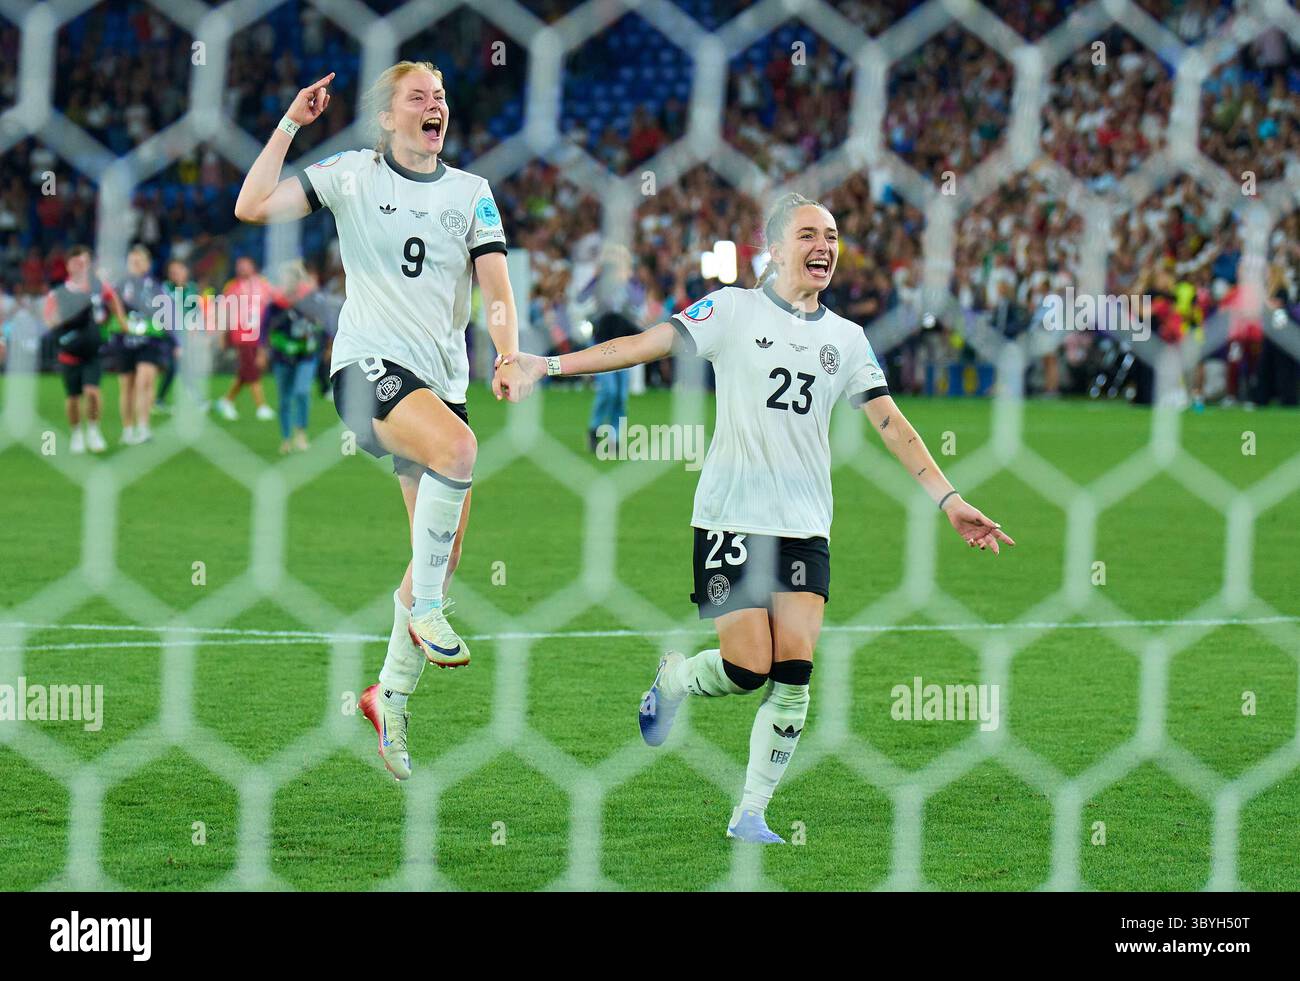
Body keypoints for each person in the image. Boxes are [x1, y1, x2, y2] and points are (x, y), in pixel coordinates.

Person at [505, 192, 1015, 843]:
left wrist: (950, 498)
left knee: (795, 670)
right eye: (808, 234)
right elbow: (645, 344)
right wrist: (546, 363)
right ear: (774, 249)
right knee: (747, 668)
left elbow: (891, 422)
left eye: (831, 234)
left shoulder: (847, 339)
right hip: (730, 519)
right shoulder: (732, 309)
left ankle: (751, 812)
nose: (823, 246)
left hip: (805, 525)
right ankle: (678, 677)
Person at [234, 62, 531, 781]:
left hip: (438, 386)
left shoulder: (472, 194)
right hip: (365, 371)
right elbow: (251, 206)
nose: (434, 106)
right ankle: (428, 608)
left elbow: (496, 285)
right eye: (417, 97)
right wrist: (290, 125)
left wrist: (509, 352)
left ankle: (387, 694)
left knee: (444, 547)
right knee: (460, 449)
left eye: (441, 96)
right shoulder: (351, 173)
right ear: (389, 117)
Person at [44, 245, 125, 454]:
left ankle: (93, 430)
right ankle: (77, 433)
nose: (81, 266)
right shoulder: (60, 292)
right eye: (76, 262)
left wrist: (121, 322)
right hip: (70, 352)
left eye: (84, 262)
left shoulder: (98, 288)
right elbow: (50, 319)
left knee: (92, 391)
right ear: (69, 265)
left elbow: (113, 300)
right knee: (72, 397)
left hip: (93, 350)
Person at [267, 259, 322, 453]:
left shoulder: (309, 300)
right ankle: (285, 438)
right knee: (283, 399)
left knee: (302, 391)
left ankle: (301, 433)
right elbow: (268, 329)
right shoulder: (276, 303)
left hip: (306, 355)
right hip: (283, 356)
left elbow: (320, 320)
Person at [112, 244, 165, 444]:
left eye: (139, 261)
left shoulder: (156, 287)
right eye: (132, 261)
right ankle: (127, 429)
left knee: (145, 381)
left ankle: (143, 427)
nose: (135, 265)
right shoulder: (120, 286)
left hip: (149, 340)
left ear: (148, 264)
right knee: (127, 386)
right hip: (125, 339)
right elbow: (112, 310)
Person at [214, 256, 276, 422]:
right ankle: (261, 406)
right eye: (239, 266)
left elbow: (271, 306)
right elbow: (224, 312)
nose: (242, 269)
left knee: (246, 371)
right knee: (251, 368)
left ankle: (226, 401)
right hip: (241, 334)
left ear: (253, 267)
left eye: (245, 266)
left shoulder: (263, 285)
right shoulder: (232, 287)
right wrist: (222, 334)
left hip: (259, 332)